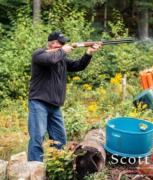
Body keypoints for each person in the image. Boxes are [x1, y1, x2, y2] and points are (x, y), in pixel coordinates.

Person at [28, 32, 101, 161]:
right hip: (39, 103)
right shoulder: (39, 54)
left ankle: (57, 166)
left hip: (55, 106)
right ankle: (34, 167)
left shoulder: (61, 58)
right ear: (52, 43)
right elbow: (51, 60)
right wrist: (63, 51)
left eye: (64, 43)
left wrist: (88, 53)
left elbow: (78, 66)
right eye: (61, 43)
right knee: (37, 137)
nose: (63, 45)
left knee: (60, 139)